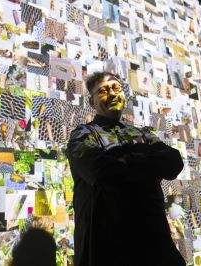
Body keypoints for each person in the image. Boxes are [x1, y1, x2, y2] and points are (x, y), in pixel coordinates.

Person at [65, 72, 186, 266]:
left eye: (116, 88)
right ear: (92, 102)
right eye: (104, 91)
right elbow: (100, 172)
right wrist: (146, 161)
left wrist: (126, 157)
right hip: (107, 249)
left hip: (155, 243)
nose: (112, 94)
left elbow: (173, 162)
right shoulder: (83, 133)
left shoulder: (142, 132)